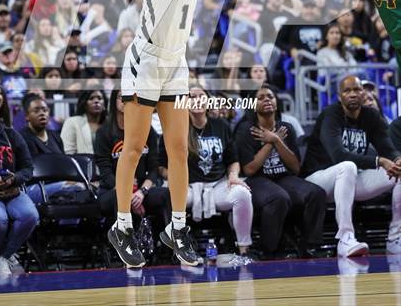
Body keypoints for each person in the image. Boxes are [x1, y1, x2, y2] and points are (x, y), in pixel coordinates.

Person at [108, 0, 219, 268]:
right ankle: (121, 224)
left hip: (177, 62)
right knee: (134, 148)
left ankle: (177, 226)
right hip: (146, 60)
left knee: (178, 149)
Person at [303, 75, 401, 256]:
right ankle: (346, 238)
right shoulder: (331, 114)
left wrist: (396, 159)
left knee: (399, 171)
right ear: (340, 96)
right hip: (318, 181)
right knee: (347, 166)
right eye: (347, 91)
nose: (353, 94)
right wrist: (378, 161)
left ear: (364, 94)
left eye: (357, 90)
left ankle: (395, 238)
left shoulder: (371, 116)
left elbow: (387, 148)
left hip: (350, 182)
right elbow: (338, 155)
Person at [159, 86, 254, 260]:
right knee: (169, 196)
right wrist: (173, 178)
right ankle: (179, 250)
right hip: (186, 186)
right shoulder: (174, 128)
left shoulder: (221, 126)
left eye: (201, 96)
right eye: (192, 97)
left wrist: (233, 176)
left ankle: (244, 249)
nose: (197, 100)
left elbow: (232, 160)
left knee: (242, 194)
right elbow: (161, 166)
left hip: (217, 185)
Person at [234, 84, 326, 257]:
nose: (267, 100)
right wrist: (270, 142)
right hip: (256, 179)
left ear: (277, 102)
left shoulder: (286, 128)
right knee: (278, 198)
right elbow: (249, 169)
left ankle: (309, 246)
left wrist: (277, 140)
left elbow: (295, 167)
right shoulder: (246, 130)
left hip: (283, 177)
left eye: (270, 96)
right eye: (260, 98)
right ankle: (269, 249)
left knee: (316, 193)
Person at [0, 89, 38, 276]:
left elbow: (27, 168)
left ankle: (3, 256)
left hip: (12, 189)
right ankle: (9, 256)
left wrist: (15, 178)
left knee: (30, 215)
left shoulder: (11, 135)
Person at [94, 89, 170, 228]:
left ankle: (168, 245)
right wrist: (127, 194)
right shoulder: (103, 133)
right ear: (114, 101)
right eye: (122, 97)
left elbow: (153, 169)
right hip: (113, 190)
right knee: (120, 199)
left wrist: (142, 192)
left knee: (165, 194)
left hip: (141, 192)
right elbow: (106, 173)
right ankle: (121, 246)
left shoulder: (148, 130)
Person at [60, 90, 107, 154]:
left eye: (99, 98)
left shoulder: (109, 124)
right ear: (84, 104)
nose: (96, 101)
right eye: (91, 98)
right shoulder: (72, 122)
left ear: (104, 104)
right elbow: (67, 152)